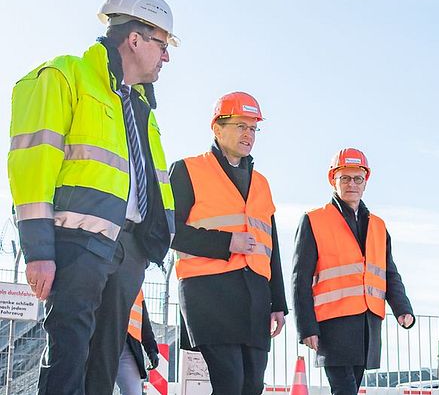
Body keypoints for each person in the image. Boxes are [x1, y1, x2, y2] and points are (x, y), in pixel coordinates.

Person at [7, 0, 178, 394]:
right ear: (134, 39)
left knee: (104, 362)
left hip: (129, 249)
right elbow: (32, 167)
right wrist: (39, 251)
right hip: (77, 242)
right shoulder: (64, 75)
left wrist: (152, 242)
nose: (167, 56)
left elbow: (150, 184)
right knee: (70, 355)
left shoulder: (141, 106)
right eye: (162, 43)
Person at [170, 92, 288, 394]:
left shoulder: (261, 183)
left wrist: (279, 304)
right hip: (209, 292)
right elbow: (169, 232)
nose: (248, 135)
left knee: (252, 386)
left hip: (255, 296)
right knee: (230, 383)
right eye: (240, 126)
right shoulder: (187, 170)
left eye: (253, 128)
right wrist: (226, 243)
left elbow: (271, 247)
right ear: (217, 128)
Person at [292, 148, 415, 395]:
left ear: (365, 182)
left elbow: (389, 272)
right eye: (345, 178)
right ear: (333, 180)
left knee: (350, 388)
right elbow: (300, 278)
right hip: (333, 324)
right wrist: (306, 327)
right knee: (345, 389)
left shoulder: (378, 226)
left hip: (367, 323)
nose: (352, 184)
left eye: (357, 178)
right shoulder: (314, 220)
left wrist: (403, 308)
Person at [115, 290, 160, 394]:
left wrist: (151, 349)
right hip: (99, 347)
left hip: (127, 346)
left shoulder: (137, 288)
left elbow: (143, 321)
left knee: (133, 392)